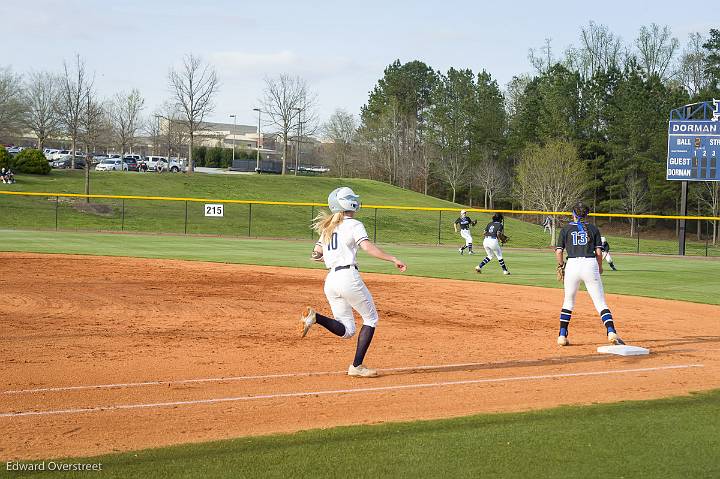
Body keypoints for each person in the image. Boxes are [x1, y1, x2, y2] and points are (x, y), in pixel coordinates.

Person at [300, 187, 407, 378]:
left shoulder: (328, 226)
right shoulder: (354, 224)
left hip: (331, 280)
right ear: (350, 203)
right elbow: (367, 247)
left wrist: (330, 256)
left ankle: (316, 317)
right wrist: (393, 258)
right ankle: (356, 366)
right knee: (371, 319)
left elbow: (316, 254)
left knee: (347, 330)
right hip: (348, 277)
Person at [555, 202, 624, 347]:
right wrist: (599, 267)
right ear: (587, 215)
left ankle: (562, 335)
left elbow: (559, 251)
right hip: (590, 264)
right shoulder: (593, 228)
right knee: (600, 303)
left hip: (572, 265)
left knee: (568, 302)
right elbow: (599, 252)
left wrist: (561, 266)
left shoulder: (566, 229)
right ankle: (611, 331)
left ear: (573, 214)